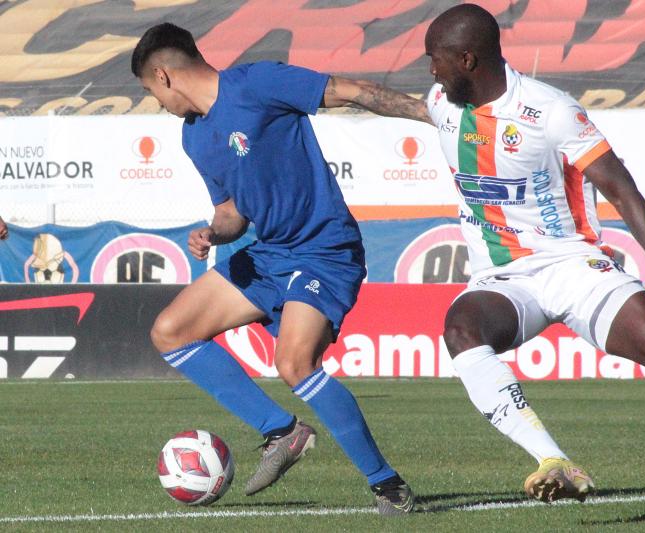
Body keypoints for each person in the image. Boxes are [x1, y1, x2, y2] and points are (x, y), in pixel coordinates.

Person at [423, 4, 645, 521]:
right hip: (505, 278)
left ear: (467, 59)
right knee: (461, 330)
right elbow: (378, 99)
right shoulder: (442, 101)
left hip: (573, 266)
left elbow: (621, 190)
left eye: (435, 60)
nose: (429, 71)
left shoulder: (549, 110)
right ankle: (552, 459)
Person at [131, 23, 429, 515]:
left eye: (150, 93)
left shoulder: (257, 83)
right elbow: (231, 212)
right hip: (269, 254)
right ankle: (282, 432)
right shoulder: (195, 137)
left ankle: (389, 486)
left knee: (293, 364)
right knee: (171, 331)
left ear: (163, 76)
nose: (158, 104)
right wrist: (214, 232)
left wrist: (431, 114)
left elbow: (351, 91)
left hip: (324, 250)